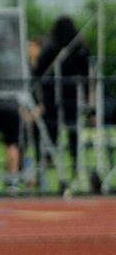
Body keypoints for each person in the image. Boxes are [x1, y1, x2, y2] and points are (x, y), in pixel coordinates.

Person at [33, 16, 90, 165]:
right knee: (72, 130)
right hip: (73, 97)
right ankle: (74, 159)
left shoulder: (51, 47)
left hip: (52, 97)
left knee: (51, 128)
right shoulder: (79, 49)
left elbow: (38, 72)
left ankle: (47, 158)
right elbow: (87, 74)